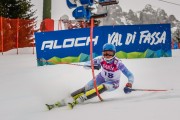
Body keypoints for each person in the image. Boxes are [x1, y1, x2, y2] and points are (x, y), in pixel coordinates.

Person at [46, 43, 134, 110]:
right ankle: (64, 100)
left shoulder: (118, 63)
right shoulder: (101, 59)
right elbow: (86, 65)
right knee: (86, 88)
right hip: (101, 77)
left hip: (113, 83)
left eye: (109, 53)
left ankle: (80, 99)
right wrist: (92, 66)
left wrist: (129, 84)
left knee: (102, 87)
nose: (107, 56)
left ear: (114, 53)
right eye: (105, 53)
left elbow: (130, 75)